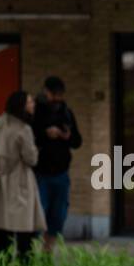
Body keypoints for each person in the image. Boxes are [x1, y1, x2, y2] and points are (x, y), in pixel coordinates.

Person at [0, 91, 45, 266]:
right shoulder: (24, 129)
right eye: (29, 102)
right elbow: (31, 159)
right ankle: (24, 264)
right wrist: (36, 149)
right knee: (24, 225)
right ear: (22, 105)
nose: (33, 104)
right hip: (20, 181)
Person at [32, 75, 82, 254]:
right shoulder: (36, 112)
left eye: (59, 94)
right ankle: (28, 254)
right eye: (54, 94)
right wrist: (45, 134)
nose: (56, 98)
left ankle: (47, 255)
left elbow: (77, 141)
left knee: (57, 217)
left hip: (61, 172)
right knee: (38, 215)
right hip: (40, 172)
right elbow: (30, 137)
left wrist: (65, 136)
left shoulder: (67, 113)